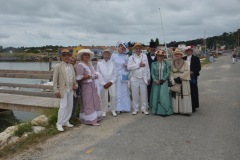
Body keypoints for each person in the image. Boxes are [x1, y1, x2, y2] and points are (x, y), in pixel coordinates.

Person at [53, 49, 78, 131]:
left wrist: (75, 86)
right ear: (62, 57)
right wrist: (56, 90)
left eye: (68, 55)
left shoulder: (71, 66)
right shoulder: (58, 66)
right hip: (63, 89)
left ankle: (66, 121)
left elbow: (74, 80)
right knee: (63, 106)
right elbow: (55, 80)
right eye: (65, 55)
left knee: (69, 106)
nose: (67, 57)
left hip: (71, 89)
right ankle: (59, 123)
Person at [75, 49, 102, 126]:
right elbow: (78, 77)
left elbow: (93, 73)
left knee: (95, 101)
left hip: (93, 85)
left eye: (88, 55)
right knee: (88, 102)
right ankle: (90, 120)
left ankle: (95, 117)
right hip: (86, 86)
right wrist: (89, 76)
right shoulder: (80, 65)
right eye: (85, 55)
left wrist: (95, 76)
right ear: (82, 56)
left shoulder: (90, 64)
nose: (86, 56)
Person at [127, 43, 150, 115]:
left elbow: (147, 67)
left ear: (141, 49)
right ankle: (135, 109)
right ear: (134, 49)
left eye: (139, 48)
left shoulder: (145, 56)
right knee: (135, 95)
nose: (138, 50)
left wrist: (148, 77)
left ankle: (144, 109)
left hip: (143, 78)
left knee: (144, 94)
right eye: (136, 48)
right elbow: (129, 67)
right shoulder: (131, 57)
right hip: (134, 78)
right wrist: (138, 65)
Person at [150, 50, 173, 116]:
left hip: (164, 82)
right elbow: (152, 73)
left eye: (161, 56)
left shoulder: (167, 63)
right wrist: (155, 80)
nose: (160, 57)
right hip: (156, 83)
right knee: (156, 96)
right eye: (158, 56)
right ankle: (156, 110)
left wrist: (162, 80)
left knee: (163, 96)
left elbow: (168, 72)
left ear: (163, 57)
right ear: (156, 56)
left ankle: (164, 111)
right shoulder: (153, 64)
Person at [110, 41, 131, 113]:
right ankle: (117, 108)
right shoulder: (113, 55)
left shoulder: (126, 56)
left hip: (123, 75)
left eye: (123, 47)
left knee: (124, 91)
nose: (122, 48)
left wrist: (126, 66)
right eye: (120, 46)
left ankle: (124, 107)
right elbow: (111, 65)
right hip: (116, 76)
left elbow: (128, 67)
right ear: (118, 47)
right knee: (117, 91)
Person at [170, 48, 192, 115]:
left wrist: (180, 78)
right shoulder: (172, 63)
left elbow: (186, 71)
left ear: (181, 55)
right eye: (176, 54)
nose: (177, 55)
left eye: (178, 54)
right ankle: (176, 110)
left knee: (184, 95)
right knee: (176, 95)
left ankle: (185, 111)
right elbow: (171, 72)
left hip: (183, 81)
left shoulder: (186, 62)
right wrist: (172, 79)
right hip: (175, 81)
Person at [97, 49, 117, 117]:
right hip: (103, 84)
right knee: (104, 97)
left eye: (108, 53)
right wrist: (103, 83)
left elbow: (115, 74)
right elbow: (98, 74)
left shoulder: (113, 63)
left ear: (109, 55)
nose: (106, 55)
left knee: (113, 96)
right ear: (103, 55)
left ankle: (113, 110)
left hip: (111, 82)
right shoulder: (99, 63)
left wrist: (111, 82)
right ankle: (104, 111)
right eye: (105, 53)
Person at [183, 48, 201, 112]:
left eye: (189, 50)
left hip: (192, 76)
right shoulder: (183, 58)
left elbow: (198, 68)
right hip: (185, 76)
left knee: (193, 90)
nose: (188, 52)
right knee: (186, 90)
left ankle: (193, 106)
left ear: (191, 51)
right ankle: (186, 105)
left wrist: (192, 72)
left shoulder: (196, 58)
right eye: (186, 51)